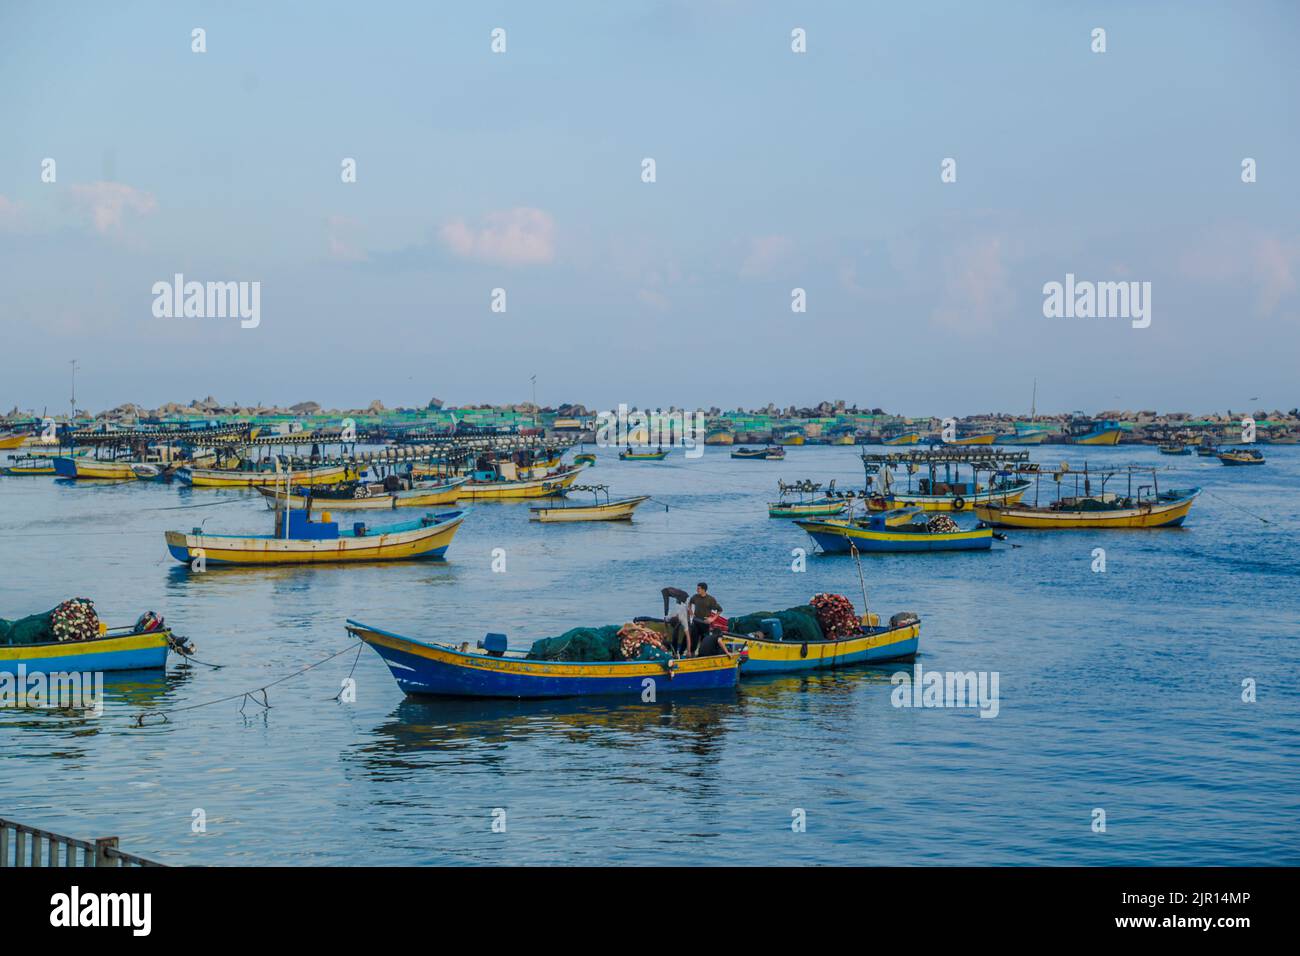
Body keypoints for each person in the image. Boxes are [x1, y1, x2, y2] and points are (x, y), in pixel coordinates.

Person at [687, 582, 721, 656]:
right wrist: (691, 613)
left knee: (704, 640)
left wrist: (712, 619)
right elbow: (689, 603)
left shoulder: (710, 599)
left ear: (703, 590)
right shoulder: (695, 597)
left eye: (698, 588)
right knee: (694, 640)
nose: (697, 590)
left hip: (705, 623)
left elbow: (720, 610)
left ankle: (702, 655)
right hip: (696, 621)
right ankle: (691, 655)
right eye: (697, 588)